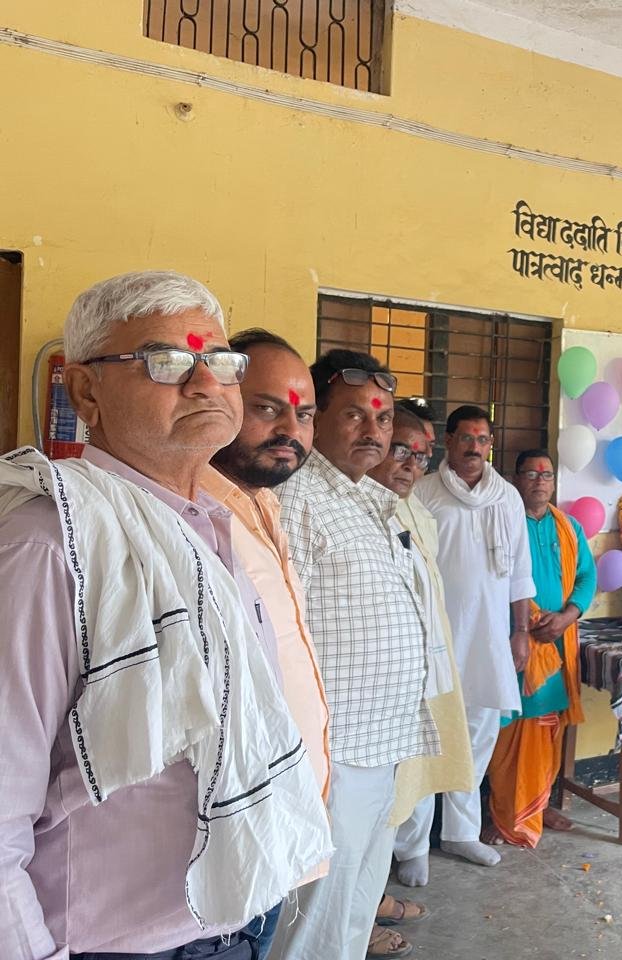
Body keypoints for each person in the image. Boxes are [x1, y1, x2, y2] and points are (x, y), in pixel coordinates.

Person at [0, 271, 329, 959]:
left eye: (220, 362)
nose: (206, 383)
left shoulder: (210, 527)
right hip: (116, 944)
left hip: (240, 907)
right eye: (167, 360)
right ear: (86, 392)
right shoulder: (51, 544)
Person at [273, 350, 442, 960]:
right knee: (314, 921)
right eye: (354, 415)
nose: (375, 430)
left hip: (383, 742)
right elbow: (279, 634)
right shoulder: (295, 498)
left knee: (355, 905)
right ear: (315, 418)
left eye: (383, 417)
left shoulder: (367, 498)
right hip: (334, 754)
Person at [204, 328, 333, 956]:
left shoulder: (262, 504)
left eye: (303, 415)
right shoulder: (189, 513)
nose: (290, 430)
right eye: (267, 407)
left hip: (279, 818)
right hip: (224, 840)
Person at [406, 405, 536, 879]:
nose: (474, 448)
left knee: (478, 735)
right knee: (425, 738)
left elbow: (520, 573)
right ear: (448, 441)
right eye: (466, 438)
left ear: (490, 445)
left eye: (482, 440)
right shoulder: (424, 492)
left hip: (488, 638)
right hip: (433, 639)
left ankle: (461, 833)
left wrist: (520, 632)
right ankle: (411, 846)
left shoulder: (507, 498)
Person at [369, 401, 475, 948]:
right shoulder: (357, 509)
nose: (412, 464)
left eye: (423, 455)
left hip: (418, 672)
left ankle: (374, 894)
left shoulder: (416, 512)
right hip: (368, 690)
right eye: (402, 450)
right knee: (366, 805)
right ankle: (359, 915)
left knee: (406, 783)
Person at [484, 449, 597, 846]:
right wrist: (527, 621)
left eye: (546, 474)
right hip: (512, 640)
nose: (539, 480)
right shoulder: (501, 521)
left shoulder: (569, 527)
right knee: (508, 729)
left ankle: (539, 802)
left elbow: (586, 577)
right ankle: (502, 813)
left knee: (547, 728)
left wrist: (567, 616)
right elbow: (489, 577)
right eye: (531, 473)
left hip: (557, 644)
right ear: (516, 479)